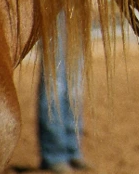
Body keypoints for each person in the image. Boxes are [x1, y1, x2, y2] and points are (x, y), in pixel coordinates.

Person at [38, 12, 90, 173]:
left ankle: (71, 147)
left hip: (75, 3)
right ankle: (55, 153)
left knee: (74, 80)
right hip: (53, 2)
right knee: (55, 79)